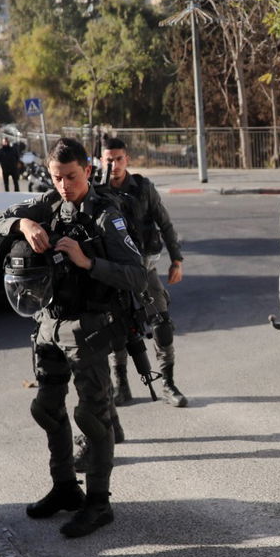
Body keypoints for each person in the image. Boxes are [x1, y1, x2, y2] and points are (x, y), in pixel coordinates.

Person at [0, 137, 146, 537]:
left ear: (87, 171)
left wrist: (87, 262)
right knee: (47, 408)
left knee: (93, 415)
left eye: (71, 177)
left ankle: (99, 503)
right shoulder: (47, 203)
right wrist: (23, 223)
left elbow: (136, 274)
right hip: (47, 325)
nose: (63, 185)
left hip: (88, 328)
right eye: (57, 177)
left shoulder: (107, 215)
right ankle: (64, 487)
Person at [101, 137, 188, 408]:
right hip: (114, 272)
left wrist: (177, 260)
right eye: (108, 159)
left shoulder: (143, 188)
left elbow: (165, 223)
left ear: (127, 159)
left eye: (118, 159)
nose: (113, 164)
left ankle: (168, 384)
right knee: (116, 328)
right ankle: (122, 387)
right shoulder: (96, 192)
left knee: (161, 322)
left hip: (144, 267)